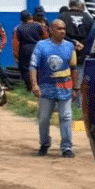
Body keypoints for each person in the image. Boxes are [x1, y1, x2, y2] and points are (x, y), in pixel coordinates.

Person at [30, 18, 78, 158]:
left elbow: (74, 68)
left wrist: (75, 89)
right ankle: (44, 144)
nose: (62, 31)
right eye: (59, 28)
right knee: (44, 118)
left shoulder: (70, 46)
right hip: (46, 88)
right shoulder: (41, 46)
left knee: (66, 117)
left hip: (66, 87)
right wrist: (34, 85)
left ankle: (66, 147)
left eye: (64, 29)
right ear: (51, 30)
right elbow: (33, 66)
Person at [12, 10, 49, 90]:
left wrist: (16, 56)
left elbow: (15, 44)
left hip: (24, 51)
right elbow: (46, 37)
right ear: (31, 17)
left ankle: (30, 88)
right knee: (39, 67)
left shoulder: (18, 28)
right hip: (38, 48)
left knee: (25, 70)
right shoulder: (39, 25)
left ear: (22, 19)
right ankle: (40, 86)